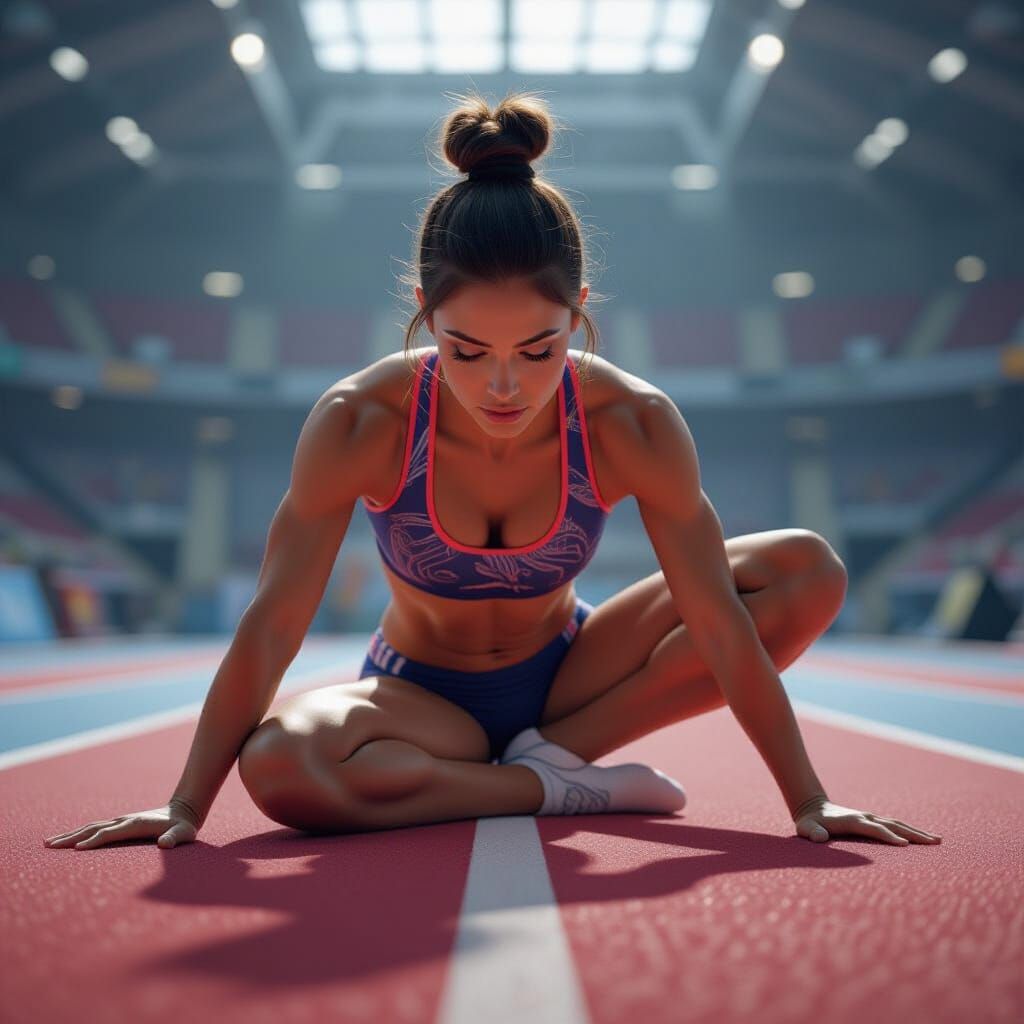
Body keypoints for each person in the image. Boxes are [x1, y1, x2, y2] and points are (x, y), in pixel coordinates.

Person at [44, 91, 941, 851]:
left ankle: (548, 757)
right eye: (467, 351)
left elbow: (715, 616)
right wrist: (187, 805)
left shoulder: (633, 422)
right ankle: (559, 788)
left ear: (580, 313)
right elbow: (276, 621)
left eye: (540, 349)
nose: (504, 384)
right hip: (420, 694)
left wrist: (808, 800)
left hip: (575, 678)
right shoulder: (360, 422)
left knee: (805, 569)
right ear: (426, 314)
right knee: (282, 763)